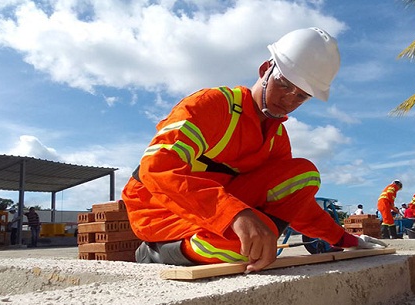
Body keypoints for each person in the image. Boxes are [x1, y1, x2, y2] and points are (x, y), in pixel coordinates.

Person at [121, 27, 387, 273]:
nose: (289, 99)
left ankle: (240, 242)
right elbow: (156, 169)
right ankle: (159, 251)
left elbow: (296, 204)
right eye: (284, 84)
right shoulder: (212, 106)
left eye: (302, 96)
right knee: (242, 250)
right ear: (264, 69)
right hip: (158, 209)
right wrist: (236, 214)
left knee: (304, 174)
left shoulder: (276, 137)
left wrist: (344, 239)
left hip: (216, 211)